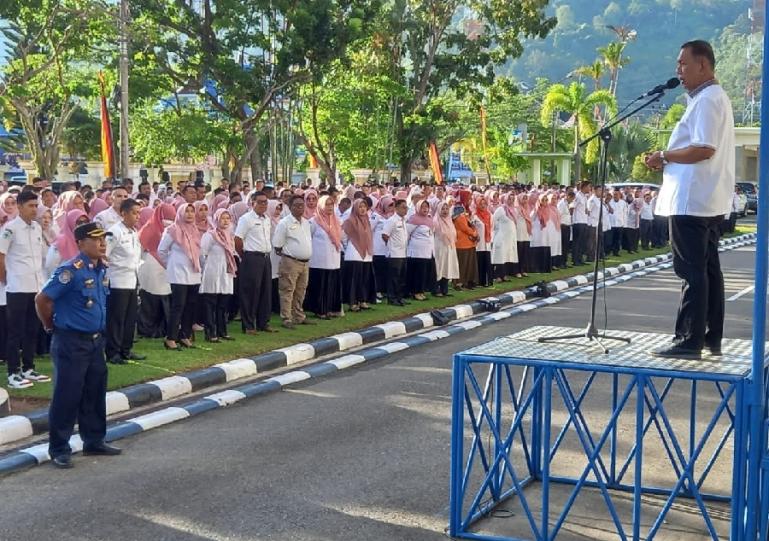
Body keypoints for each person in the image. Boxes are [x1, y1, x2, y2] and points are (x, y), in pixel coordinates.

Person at [645, 40, 735, 360]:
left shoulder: (708, 100)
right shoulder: (710, 98)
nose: (678, 70)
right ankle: (710, 336)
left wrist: (663, 155)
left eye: (684, 63)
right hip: (705, 199)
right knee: (708, 270)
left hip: (692, 200)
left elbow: (703, 148)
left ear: (703, 65)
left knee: (691, 271)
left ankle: (688, 339)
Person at [35, 222, 122, 469]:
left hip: (95, 342)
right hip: (71, 342)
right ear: (81, 243)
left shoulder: (100, 269)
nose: (102, 243)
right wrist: (51, 327)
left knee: (94, 393)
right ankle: (59, 448)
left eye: (103, 238)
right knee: (67, 396)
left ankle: (94, 440)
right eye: (96, 239)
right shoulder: (70, 271)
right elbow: (42, 299)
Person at [0, 190, 51, 389]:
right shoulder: (10, 229)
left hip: (36, 286)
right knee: (15, 331)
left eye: (35, 205)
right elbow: (1, 256)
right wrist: (7, 280)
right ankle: (13, 372)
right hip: (17, 287)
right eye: (30, 206)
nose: (34, 209)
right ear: (19, 207)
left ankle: (28, 368)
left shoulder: (37, 228)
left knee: (32, 329)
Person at [104, 198, 144, 364]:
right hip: (118, 280)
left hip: (132, 279)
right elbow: (104, 255)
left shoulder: (133, 232)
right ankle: (113, 352)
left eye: (139, 213)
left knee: (130, 317)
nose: (137, 217)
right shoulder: (114, 232)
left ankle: (126, 349)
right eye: (134, 213)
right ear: (123, 213)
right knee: (117, 318)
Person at [158, 203, 202, 350]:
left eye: (191, 211)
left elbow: (198, 251)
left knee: (191, 306)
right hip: (178, 273)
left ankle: (184, 335)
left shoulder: (195, 229)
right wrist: (171, 265)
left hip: (193, 272)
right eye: (186, 211)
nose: (189, 214)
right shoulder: (172, 230)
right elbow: (162, 251)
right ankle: (170, 338)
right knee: (178, 306)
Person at [234, 192, 275, 334]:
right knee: (250, 292)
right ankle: (249, 325)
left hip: (265, 257)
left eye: (265, 202)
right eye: (260, 202)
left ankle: (263, 322)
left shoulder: (267, 219)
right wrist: (244, 256)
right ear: (253, 203)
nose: (263, 205)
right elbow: (238, 240)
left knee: (265, 291)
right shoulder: (246, 219)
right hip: (252, 257)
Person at [273, 195, 313, 329]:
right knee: (287, 289)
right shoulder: (284, 223)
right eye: (297, 205)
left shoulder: (306, 222)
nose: (300, 207)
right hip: (291, 261)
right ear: (290, 207)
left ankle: (298, 315)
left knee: (301, 290)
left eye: (302, 205)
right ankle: (286, 317)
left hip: (305, 262)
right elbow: (277, 244)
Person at [136, 203, 175, 338]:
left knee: (164, 297)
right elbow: (140, 248)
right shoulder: (150, 228)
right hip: (150, 265)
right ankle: (148, 328)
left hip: (166, 266)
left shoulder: (171, 228)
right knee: (151, 299)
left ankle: (162, 328)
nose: (168, 220)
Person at [200, 209, 237, 342]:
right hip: (213, 271)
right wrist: (206, 268)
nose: (226, 221)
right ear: (217, 219)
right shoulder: (210, 235)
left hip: (225, 272)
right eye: (223, 218)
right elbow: (202, 254)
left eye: (228, 218)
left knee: (222, 304)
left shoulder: (229, 236)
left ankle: (222, 331)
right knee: (210, 303)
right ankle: (210, 333)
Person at [305, 195, 342, 319]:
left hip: (334, 259)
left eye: (331, 204)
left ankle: (331, 309)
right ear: (321, 206)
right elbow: (308, 238)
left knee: (332, 284)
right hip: (319, 260)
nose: (329, 207)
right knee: (320, 285)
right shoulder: (314, 221)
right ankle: (320, 310)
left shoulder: (336, 220)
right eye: (327, 204)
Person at [341, 199, 376, 311]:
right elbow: (343, 237)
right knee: (354, 280)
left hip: (366, 254)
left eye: (364, 207)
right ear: (355, 208)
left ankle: (362, 300)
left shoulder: (367, 220)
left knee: (364, 278)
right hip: (354, 253)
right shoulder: (349, 221)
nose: (362, 209)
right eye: (360, 207)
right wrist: (349, 248)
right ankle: (352, 302)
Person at [405, 200, 435, 301]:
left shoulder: (429, 219)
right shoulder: (413, 219)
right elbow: (407, 233)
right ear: (418, 208)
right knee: (417, 273)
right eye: (423, 207)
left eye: (426, 206)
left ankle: (421, 291)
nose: (425, 209)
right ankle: (415, 292)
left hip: (427, 251)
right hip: (416, 251)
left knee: (423, 272)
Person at [381, 199, 409, 305]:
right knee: (394, 278)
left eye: (406, 207)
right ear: (396, 208)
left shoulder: (403, 220)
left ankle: (399, 297)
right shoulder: (392, 220)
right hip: (394, 253)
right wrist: (391, 245)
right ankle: (392, 298)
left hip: (403, 253)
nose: (405, 209)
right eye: (403, 207)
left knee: (401, 277)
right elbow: (384, 235)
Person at [432, 201, 459, 297]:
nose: (445, 211)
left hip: (450, 247)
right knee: (439, 267)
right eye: (442, 209)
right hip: (439, 247)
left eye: (447, 209)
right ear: (438, 210)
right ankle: (436, 289)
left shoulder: (449, 220)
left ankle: (445, 289)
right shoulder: (435, 221)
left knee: (447, 266)